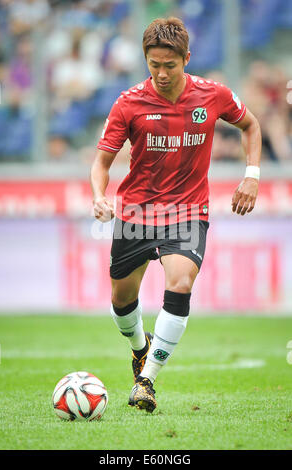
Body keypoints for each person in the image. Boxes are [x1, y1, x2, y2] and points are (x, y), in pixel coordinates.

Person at [90, 17, 262, 413]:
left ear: (187, 58)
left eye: (171, 65)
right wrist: (100, 196)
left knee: (181, 283)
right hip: (135, 210)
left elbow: (250, 125)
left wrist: (251, 176)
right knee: (121, 299)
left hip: (188, 210)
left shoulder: (213, 95)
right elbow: (101, 162)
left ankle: (146, 380)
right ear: (145, 60)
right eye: (154, 65)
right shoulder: (128, 102)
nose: (162, 74)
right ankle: (139, 348)